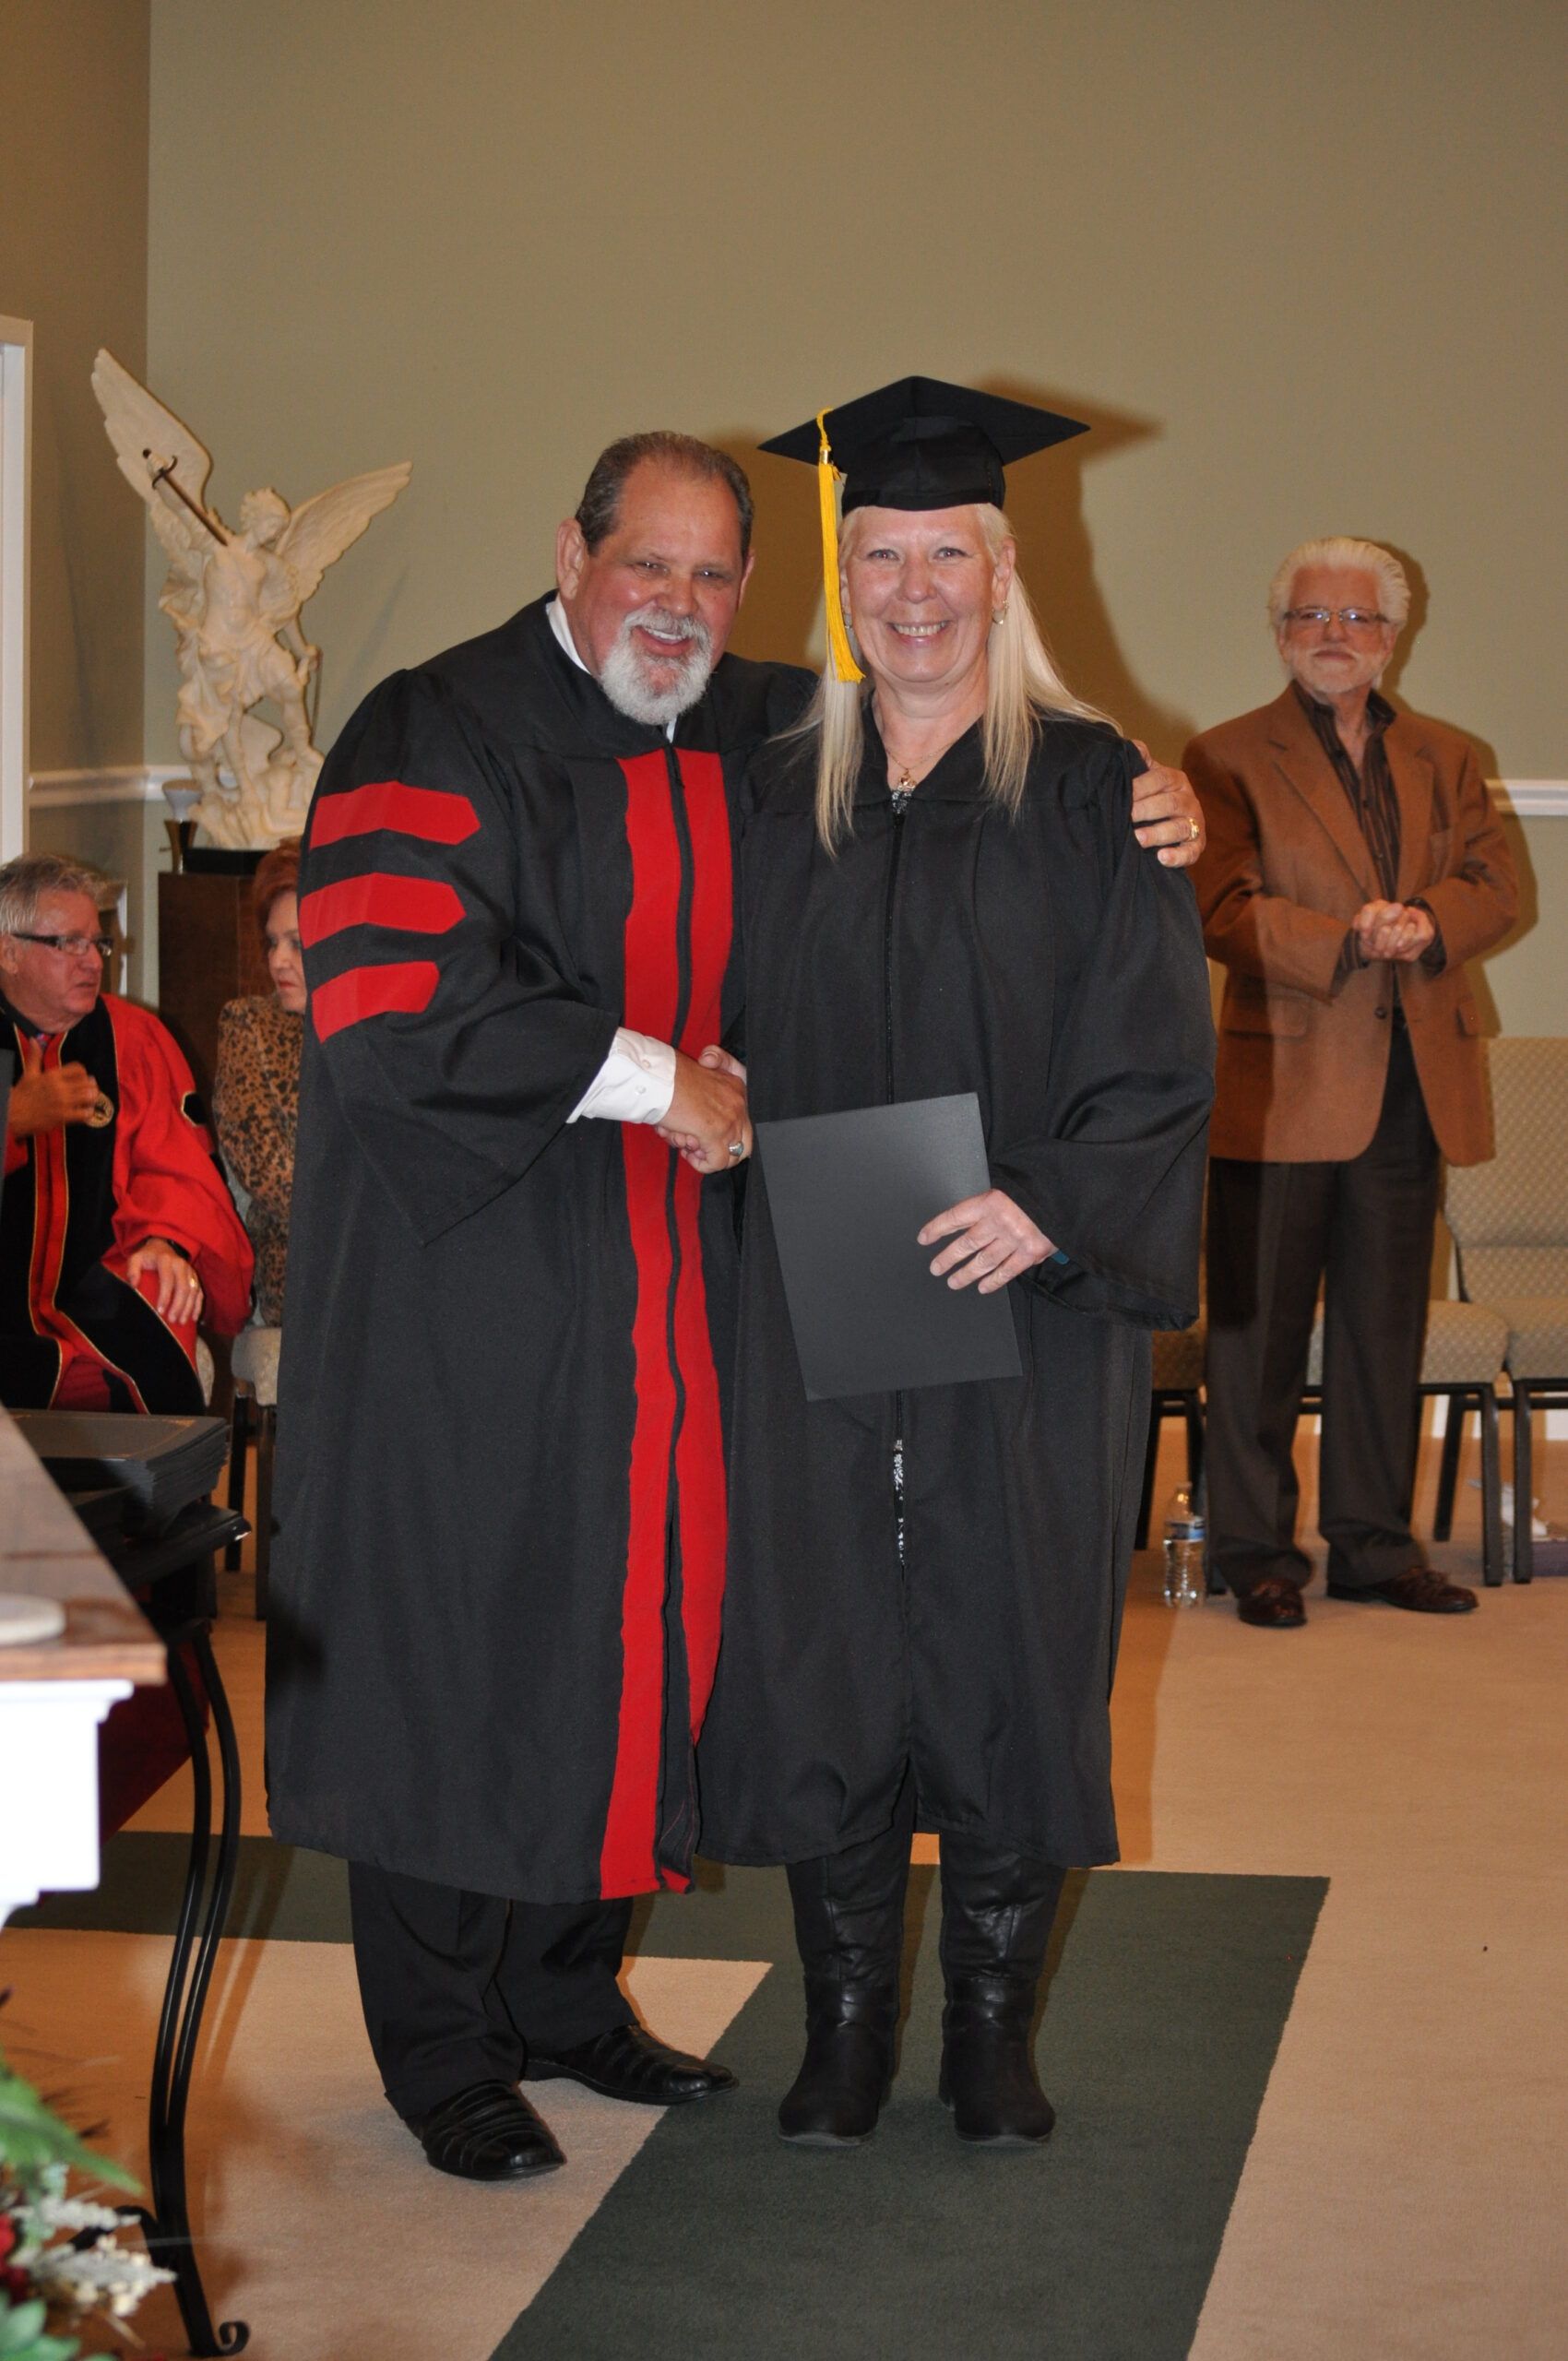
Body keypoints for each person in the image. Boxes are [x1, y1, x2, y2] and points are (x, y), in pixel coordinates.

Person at [267, 427, 1210, 2187]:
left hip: (680, 1271)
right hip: (481, 1273)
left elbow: (945, 714)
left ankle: (567, 1994)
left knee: (634, 1625)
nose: (679, 604)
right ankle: (446, 2049)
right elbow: (395, 983)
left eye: (714, 576)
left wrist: (1168, 796)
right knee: (469, 1624)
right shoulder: (434, 721)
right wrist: (655, 1078)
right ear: (572, 554)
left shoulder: (742, 726)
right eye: (649, 564)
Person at [691, 380, 1216, 2151]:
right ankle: (844, 2023)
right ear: (842, 579)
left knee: (1010, 1626)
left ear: (1001, 574)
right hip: (818, 1258)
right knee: (827, 1627)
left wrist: (1053, 1204)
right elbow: (705, 992)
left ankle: (992, 2028)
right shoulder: (774, 785)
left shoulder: (1094, 789)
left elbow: (1157, 1041)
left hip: (1026, 1273)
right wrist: (714, 1075)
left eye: (945, 556)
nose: (911, 590)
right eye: (879, 557)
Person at [1186, 537, 1518, 1628]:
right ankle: (1254, 1553)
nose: (1333, 635)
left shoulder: (1447, 756)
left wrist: (1425, 921)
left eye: (1356, 617)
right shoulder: (1224, 755)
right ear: (1279, 632)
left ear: (1392, 634)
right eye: (1310, 616)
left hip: (1409, 1082)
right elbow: (1218, 907)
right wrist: (1345, 939)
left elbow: (1495, 884)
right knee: (1256, 1337)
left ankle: (1373, 1548)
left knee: (1384, 1330)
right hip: (1277, 1087)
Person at [1, 851, 253, 1410]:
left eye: (99, 943)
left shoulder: (130, 1038)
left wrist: (164, 1240)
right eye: (69, 943)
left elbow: (176, 1168)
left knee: (161, 1293)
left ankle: (160, 1474)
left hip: (96, 1293)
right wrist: (11, 1118)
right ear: (8, 952)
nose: (93, 961)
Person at [212, 843, 305, 1325]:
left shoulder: (380, 1027)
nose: (278, 961)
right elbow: (268, 1173)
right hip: (300, 1266)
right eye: (273, 943)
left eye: (297, 944)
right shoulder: (250, 1026)